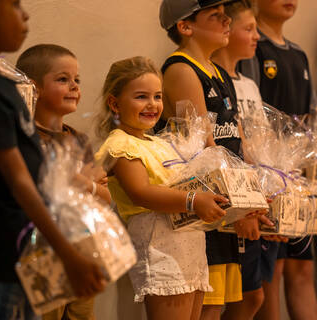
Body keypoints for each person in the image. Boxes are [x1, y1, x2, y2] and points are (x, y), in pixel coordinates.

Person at [94, 56, 229, 320]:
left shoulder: (162, 143)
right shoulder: (120, 144)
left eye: (157, 96)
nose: (152, 105)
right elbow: (141, 192)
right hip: (160, 246)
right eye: (141, 96)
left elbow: (191, 185)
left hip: (190, 244)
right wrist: (193, 200)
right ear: (114, 103)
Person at [0, 1, 105, 319]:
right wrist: (66, 251)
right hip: (20, 253)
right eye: (14, 4)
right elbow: (22, 183)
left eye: (77, 79)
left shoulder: (6, 88)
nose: (25, 13)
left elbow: (103, 194)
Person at [159, 1, 247, 318]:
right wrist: (240, 206)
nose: (227, 20)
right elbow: (202, 148)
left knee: (224, 303)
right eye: (216, 15)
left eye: (226, 13)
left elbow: (236, 139)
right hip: (205, 200)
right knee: (206, 309)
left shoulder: (218, 70)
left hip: (225, 196)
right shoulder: (181, 69)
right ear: (186, 26)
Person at [16, 44, 111, 320]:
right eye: (62, 79)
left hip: (83, 249)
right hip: (43, 252)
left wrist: (82, 184)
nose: (74, 87)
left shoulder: (78, 140)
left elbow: (105, 198)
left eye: (76, 80)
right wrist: (83, 185)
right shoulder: (26, 139)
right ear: (34, 88)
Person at [238, 1, 317, 319]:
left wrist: (308, 175)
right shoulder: (253, 48)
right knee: (272, 271)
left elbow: (309, 118)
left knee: (301, 268)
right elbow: (252, 119)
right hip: (270, 177)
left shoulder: (298, 53)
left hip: (296, 179)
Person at [211, 1, 286, 319]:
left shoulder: (250, 85)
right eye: (249, 28)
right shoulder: (212, 79)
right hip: (231, 199)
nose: (256, 36)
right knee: (239, 297)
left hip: (256, 196)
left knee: (256, 293)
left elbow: (260, 144)